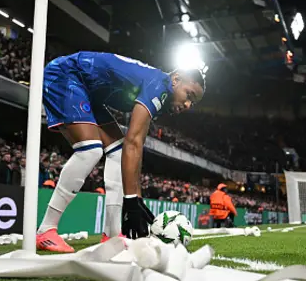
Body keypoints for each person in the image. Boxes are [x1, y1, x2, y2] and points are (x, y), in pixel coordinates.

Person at [36, 52, 205, 252]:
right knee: (90, 150)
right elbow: (133, 142)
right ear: (176, 79)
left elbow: (136, 147)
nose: (187, 105)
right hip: (66, 75)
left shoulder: (161, 90)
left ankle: (112, 234)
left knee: (116, 152)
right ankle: (46, 230)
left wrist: (138, 199)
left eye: (192, 103)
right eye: (189, 95)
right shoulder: (159, 86)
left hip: (89, 90)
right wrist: (131, 201)